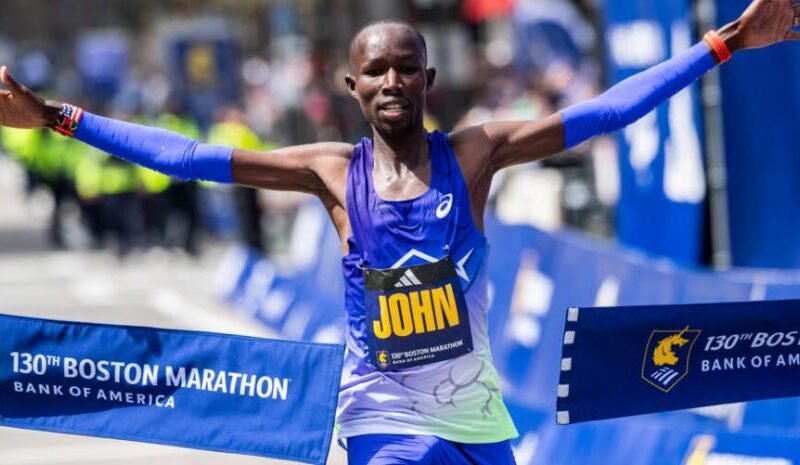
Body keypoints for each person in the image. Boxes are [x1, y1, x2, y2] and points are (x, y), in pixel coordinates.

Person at [1, 1, 798, 463]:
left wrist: (721, 43)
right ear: (351, 86)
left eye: (405, 67)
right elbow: (189, 156)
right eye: (375, 70)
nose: (391, 81)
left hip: (480, 421)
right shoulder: (326, 170)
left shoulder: (478, 155)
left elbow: (604, 112)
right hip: (385, 425)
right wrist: (60, 119)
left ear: (429, 79)